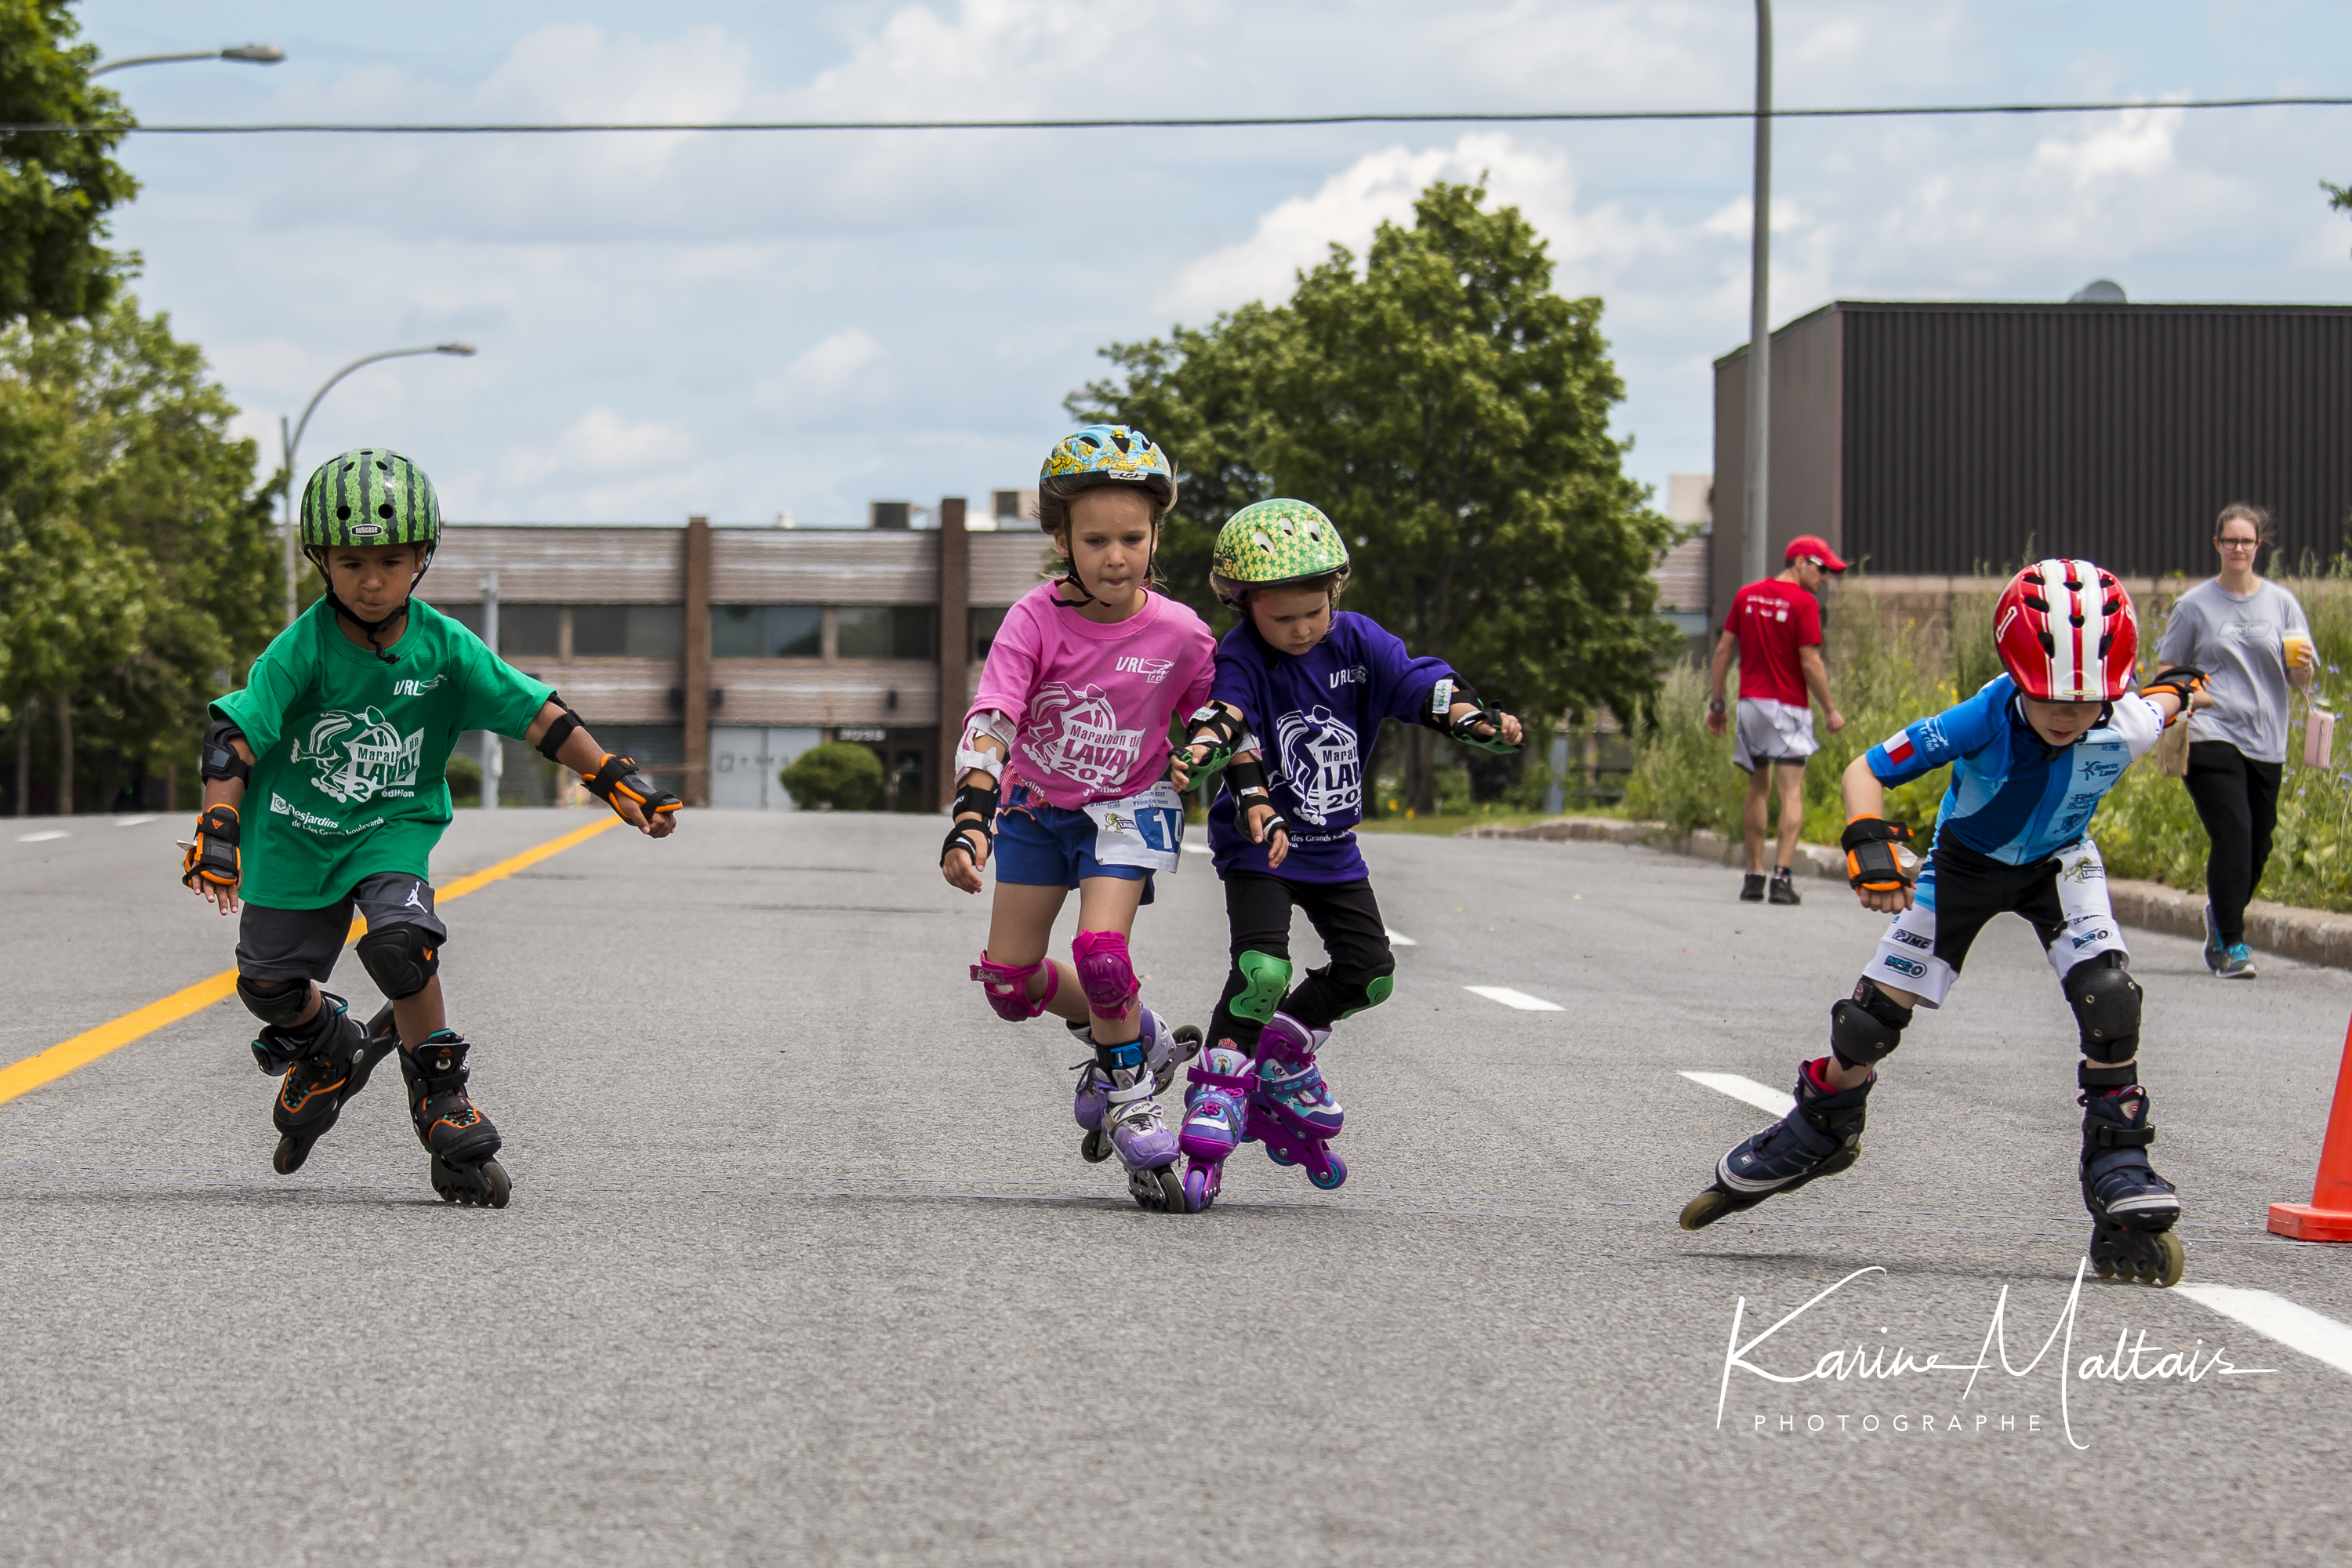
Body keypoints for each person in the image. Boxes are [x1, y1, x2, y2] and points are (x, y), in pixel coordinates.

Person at [1679, 558, 2207, 1290]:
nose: (2067, 714)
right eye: (2048, 694)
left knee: (2110, 998)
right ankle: (1825, 1123)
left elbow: (2165, 699)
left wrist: (2184, 686)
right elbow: (1866, 770)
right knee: (1868, 1025)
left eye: (2085, 701)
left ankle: (2119, 1159)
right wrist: (1867, 837)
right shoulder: (1985, 715)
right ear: (2014, 670)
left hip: (2060, 864)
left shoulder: (2129, 719)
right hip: (1963, 865)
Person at [181, 448, 681, 1208]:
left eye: (392, 560)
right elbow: (236, 732)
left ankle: (442, 1098)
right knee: (269, 985)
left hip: (391, 827)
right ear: (321, 560)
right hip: (291, 833)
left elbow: (535, 712)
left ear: (423, 559)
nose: (372, 580)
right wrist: (220, 820)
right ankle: (328, 1045)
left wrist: (607, 772)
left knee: (400, 944)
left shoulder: (446, 648)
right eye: (351, 562)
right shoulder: (304, 647)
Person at [1172, 499, 1522, 1211]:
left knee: (1371, 976)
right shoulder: (1242, 655)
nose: (1301, 630)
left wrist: (1471, 719)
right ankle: (1219, 1086)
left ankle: (1281, 1054)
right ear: (1245, 606)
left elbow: (1419, 681)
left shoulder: (1358, 643)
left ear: (1334, 594)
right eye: (1282, 618)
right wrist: (1206, 750)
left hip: (1333, 848)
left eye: (1313, 612)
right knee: (1262, 968)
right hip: (1260, 846)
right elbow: (1229, 714)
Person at [939, 425, 1216, 1213]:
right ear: (1062, 538)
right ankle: (1143, 1035)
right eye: (1095, 539)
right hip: (1035, 806)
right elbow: (995, 713)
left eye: (1132, 536)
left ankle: (1133, 1101)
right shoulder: (1034, 619)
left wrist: (1210, 751)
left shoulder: (1182, 633)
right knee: (1009, 981)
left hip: (1129, 809)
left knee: (1100, 952)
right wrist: (973, 813)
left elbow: (1217, 715)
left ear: (1156, 534)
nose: (1116, 555)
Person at [2155, 503, 2314, 980]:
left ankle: (2219, 915)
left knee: (2258, 844)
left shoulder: (2282, 603)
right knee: (2234, 834)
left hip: (2267, 737)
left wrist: (2303, 668)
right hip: (2211, 732)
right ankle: (2232, 944)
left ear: (2258, 546)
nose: (2239, 548)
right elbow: (2167, 670)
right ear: (2217, 545)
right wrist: (2192, 695)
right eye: (2231, 541)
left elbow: (2298, 676)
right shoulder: (2194, 606)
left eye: (2247, 541)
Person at [1707, 535, 1849, 904]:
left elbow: (1724, 649)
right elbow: (1810, 661)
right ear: (1800, 562)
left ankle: (1753, 876)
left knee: (1757, 788)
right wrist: (1831, 709)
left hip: (1751, 705)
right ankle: (1781, 880)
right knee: (1790, 791)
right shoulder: (1803, 603)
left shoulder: (1747, 595)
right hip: (1789, 708)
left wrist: (1717, 704)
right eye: (1822, 569)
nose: (1825, 579)